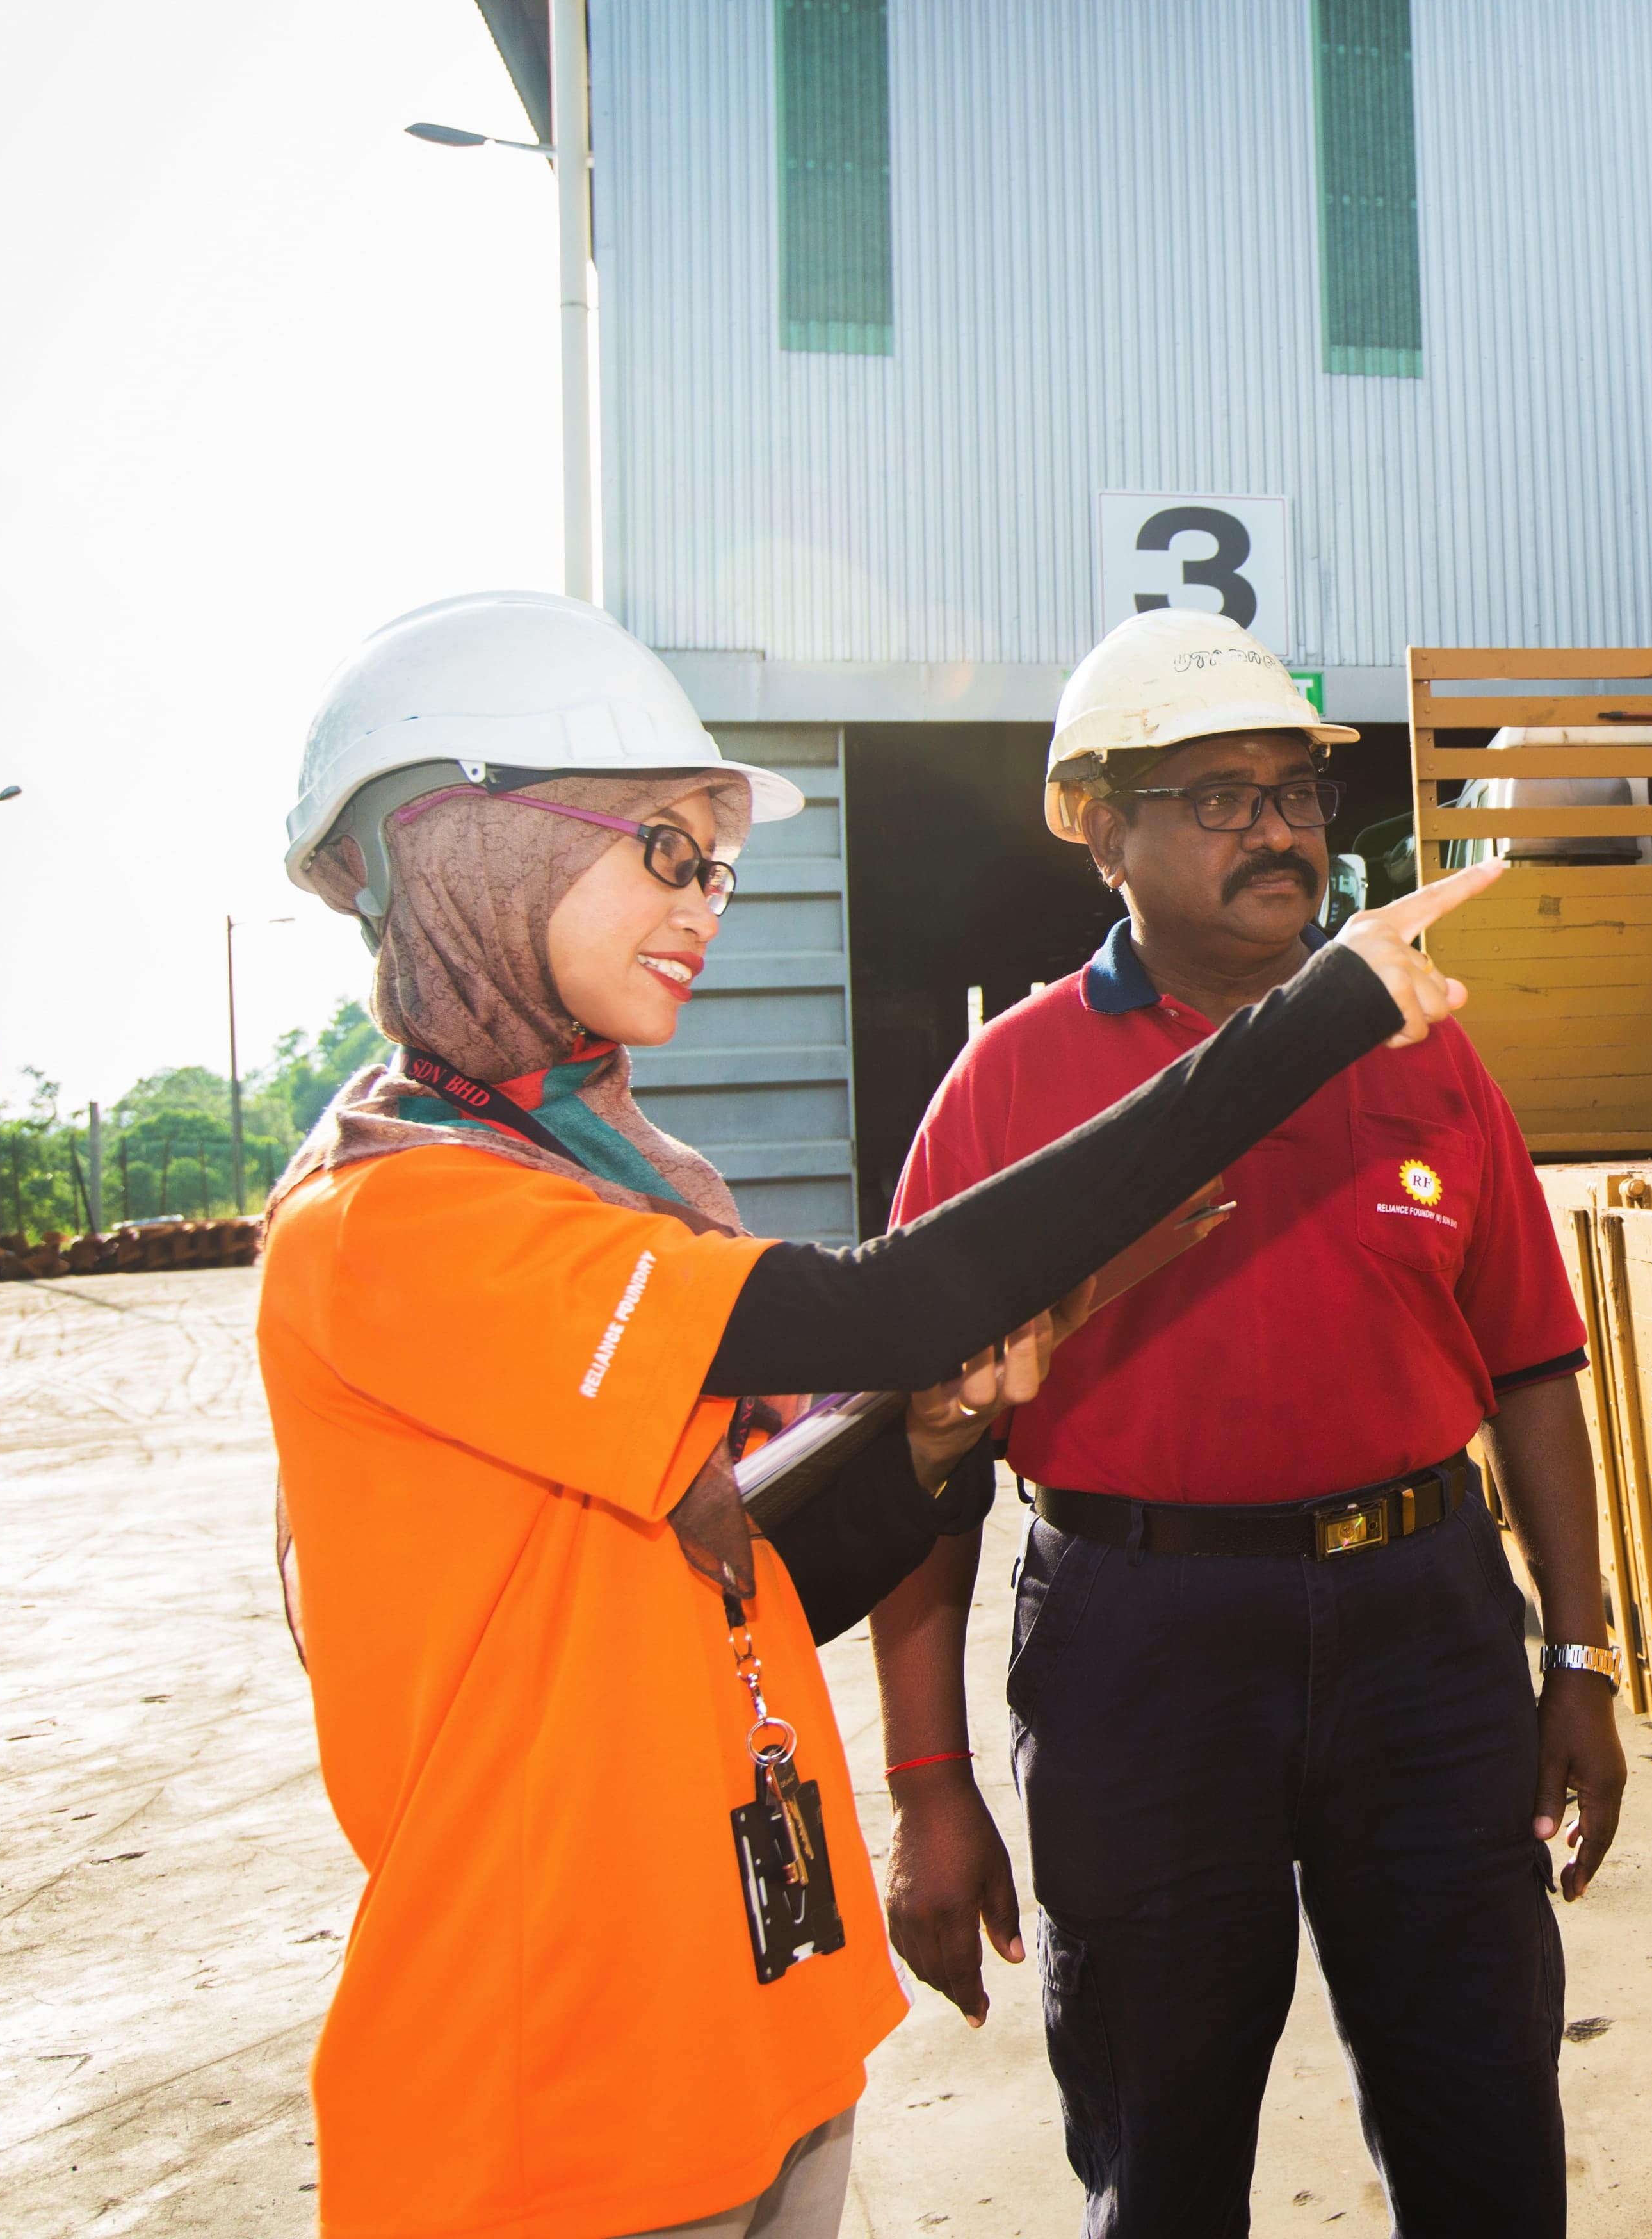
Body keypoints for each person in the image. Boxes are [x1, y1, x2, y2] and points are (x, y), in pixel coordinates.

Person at [254, 592, 1500, 2239]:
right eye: (660, 848)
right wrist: (1324, 1013)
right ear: (472, 845)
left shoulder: (608, 1190)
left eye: (714, 861)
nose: (703, 906)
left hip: (727, 2027)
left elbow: (737, 1577)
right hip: (552, 2080)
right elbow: (892, 1302)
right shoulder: (398, 1228)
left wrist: (922, 1439)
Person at [868, 612, 1629, 2239]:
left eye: (1295, 791)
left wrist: (1578, 1657)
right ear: (1103, 831)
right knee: (1162, 2151)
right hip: (1140, 1651)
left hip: (1427, 1631)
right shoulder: (1004, 1090)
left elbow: (1532, 1368)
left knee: (1487, 2128)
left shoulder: (1427, 1053)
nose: (1281, 829)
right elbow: (918, 1472)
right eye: (1220, 795)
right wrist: (928, 1776)